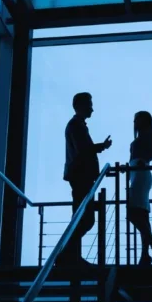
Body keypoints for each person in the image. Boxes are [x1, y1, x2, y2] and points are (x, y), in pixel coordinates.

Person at [61, 92, 112, 266]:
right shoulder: (75, 125)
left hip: (81, 176)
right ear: (80, 106)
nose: (92, 109)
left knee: (82, 217)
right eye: (89, 105)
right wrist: (102, 147)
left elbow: (83, 149)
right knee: (85, 218)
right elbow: (83, 150)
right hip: (80, 176)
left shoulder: (77, 125)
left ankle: (70, 255)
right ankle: (67, 255)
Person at [127, 110, 152, 266]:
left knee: (133, 214)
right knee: (142, 216)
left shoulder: (149, 134)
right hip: (136, 173)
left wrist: (142, 161)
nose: (135, 122)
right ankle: (145, 254)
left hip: (141, 173)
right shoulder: (141, 137)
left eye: (137, 119)